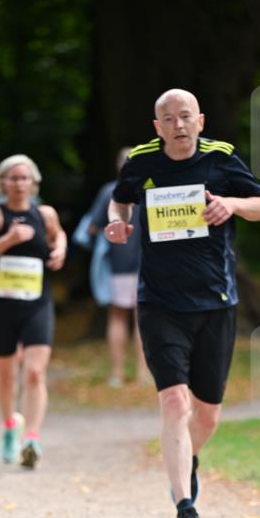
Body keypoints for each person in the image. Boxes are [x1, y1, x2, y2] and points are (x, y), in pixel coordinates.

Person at [106, 88, 260, 518]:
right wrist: (118, 221)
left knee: (208, 415)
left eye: (185, 117)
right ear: (156, 126)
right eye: (168, 119)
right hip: (159, 302)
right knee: (174, 401)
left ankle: (185, 459)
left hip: (216, 301)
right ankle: (185, 509)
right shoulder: (141, 161)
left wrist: (231, 204)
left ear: (200, 120)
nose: (178, 126)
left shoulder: (222, 158)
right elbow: (119, 200)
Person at [0, 154, 67, 468]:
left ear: (33, 182)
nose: (19, 184)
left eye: (25, 178)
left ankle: (32, 439)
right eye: (13, 178)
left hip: (37, 303)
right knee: (6, 376)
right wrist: (7, 240)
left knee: (35, 372)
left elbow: (57, 234)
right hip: (3, 306)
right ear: (2, 182)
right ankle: (10, 426)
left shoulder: (45, 213)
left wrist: (61, 248)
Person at [86, 148, 149, 387]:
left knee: (117, 317)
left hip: (118, 262)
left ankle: (117, 373)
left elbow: (92, 228)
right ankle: (144, 374)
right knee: (142, 318)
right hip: (148, 263)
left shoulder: (108, 191)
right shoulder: (150, 191)